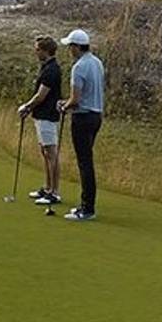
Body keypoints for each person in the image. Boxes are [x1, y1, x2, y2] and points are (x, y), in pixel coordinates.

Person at [57, 28, 103, 222]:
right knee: (87, 161)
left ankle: (87, 208)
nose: (69, 50)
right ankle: (87, 205)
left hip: (83, 118)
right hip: (96, 116)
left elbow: (76, 100)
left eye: (70, 46)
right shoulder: (97, 62)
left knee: (85, 163)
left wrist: (63, 106)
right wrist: (67, 102)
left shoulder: (79, 67)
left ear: (77, 47)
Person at [17, 36, 62, 206]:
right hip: (41, 116)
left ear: (45, 51)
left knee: (52, 153)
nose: (35, 52)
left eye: (37, 49)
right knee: (45, 152)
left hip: (47, 116)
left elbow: (41, 96)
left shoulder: (51, 70)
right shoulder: (47, 67)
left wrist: (26, 107)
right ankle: (48, 188)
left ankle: (55, 193)